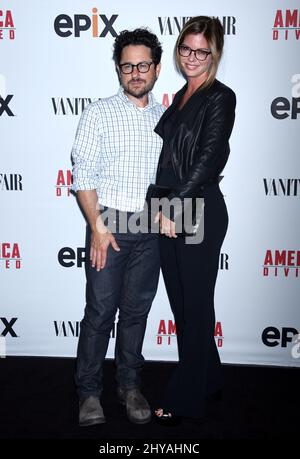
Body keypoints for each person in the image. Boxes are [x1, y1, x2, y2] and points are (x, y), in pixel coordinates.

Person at [71, 28, 165, 426]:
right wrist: (96, 227)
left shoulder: (167, 117)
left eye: (143, 65)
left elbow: (173, 177)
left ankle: (129, 386)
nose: (135, 72)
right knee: (99, 313)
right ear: (118, 69)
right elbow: (82, 174)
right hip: (108, 224)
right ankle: (89, 393)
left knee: (136, 313)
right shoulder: (98, 112)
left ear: (157, 69)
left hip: (152, 229)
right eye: (127, 66)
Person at [153, 16, 236, 425]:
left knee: (196, 305)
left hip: (197, 207)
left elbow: (209, 159)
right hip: (169, 208)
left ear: (214, 54)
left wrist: (174, 207)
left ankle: (186, 397)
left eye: (201, 51)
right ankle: (210, 377)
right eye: (186, 48)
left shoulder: (220, 97)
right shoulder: (181, 96)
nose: (191, 57)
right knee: (184, 304)